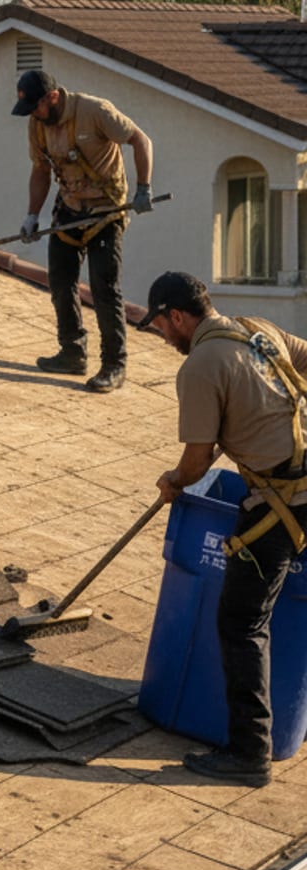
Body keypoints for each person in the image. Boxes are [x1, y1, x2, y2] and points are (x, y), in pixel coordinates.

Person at [146, 272, 307, 787]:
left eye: (162, 326)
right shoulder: (255, 329)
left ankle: (249, 754)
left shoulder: (200, 366)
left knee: (241, 624)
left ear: (177, 316)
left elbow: (196, 462)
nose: (163, 337)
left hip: (281, 504)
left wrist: (173, 481)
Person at [14, 69, 155, 394]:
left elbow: (140, 140)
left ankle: (114, 364)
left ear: (52, 97)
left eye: (36, 107)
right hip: (69, 208)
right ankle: (72, 351)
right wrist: (32, 216)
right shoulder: (37, 125)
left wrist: (144, 188)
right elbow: (40, 170)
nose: (34, 114)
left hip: (106, 210)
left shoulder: (95, 111)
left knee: (104, 290)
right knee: (61, 283)